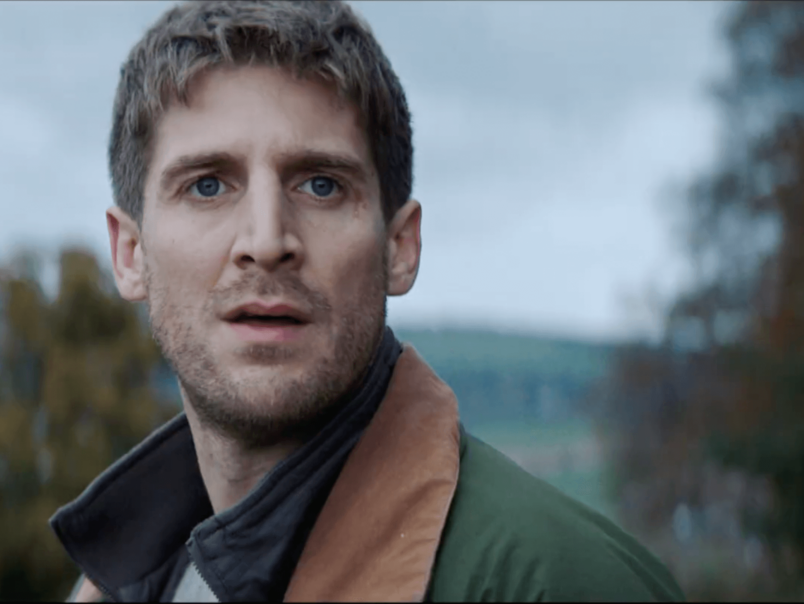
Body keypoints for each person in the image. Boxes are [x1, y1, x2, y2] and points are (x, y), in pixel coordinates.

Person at [49, 1, 685, 601]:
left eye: (321, 185)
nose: (266, 242)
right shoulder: (144, 584)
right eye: (208, 186)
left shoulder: (553, 583)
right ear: (129, 253)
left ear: (399, 246)